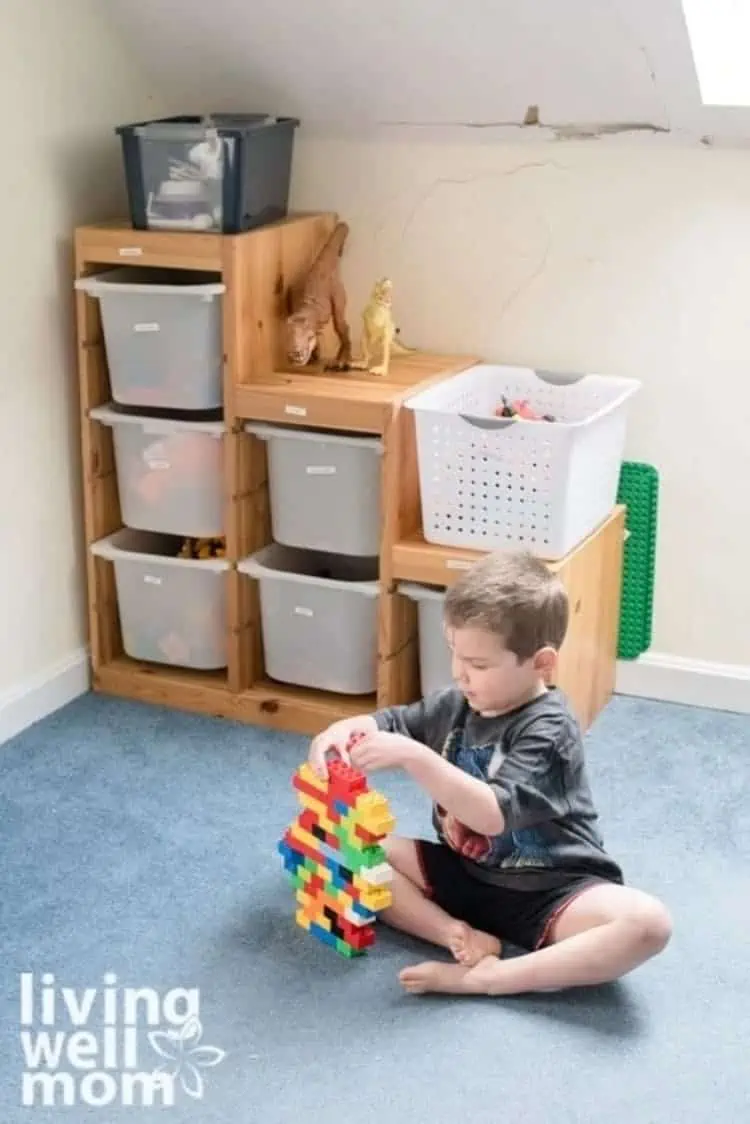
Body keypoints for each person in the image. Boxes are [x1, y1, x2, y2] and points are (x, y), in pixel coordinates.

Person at [307, 550, 672, 996]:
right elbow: (390, 722)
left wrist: (414, 757)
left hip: (552, 888)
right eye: (455, 655)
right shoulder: (456, 702)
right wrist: (340, 732)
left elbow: (491, 815)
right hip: (466, 873)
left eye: (478, 665)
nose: (460, 675)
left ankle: (496, 978)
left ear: (541, 663)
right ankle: (456, 936)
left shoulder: (551, 728)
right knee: (345, 848)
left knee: (648, 924)